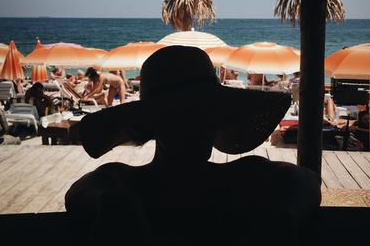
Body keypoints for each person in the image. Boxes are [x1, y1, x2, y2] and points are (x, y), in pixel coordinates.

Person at [65, 46, 321, 246]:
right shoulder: (121, 182)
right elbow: (82, 191)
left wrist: (281, 217)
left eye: (207, 115)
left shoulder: (129, 182)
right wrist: (115, 204)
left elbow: (305, 180)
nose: (199, 127)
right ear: (155, 125)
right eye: (182, 119)